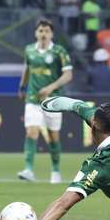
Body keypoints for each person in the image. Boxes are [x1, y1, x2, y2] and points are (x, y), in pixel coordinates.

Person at [17, 19, 73, 184]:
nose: (43, 34)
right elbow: (27, 69)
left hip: (53, 100)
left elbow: (68, 75)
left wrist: (50, 88)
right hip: (33, 98)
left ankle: (55, 171)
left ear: (51, 34)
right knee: (31, 132)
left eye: (47, 31)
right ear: (36, 33)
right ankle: (28, 170)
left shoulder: (59, 51)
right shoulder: (29, 50)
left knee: (53, 136)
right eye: (41, 30)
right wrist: (21, 86)